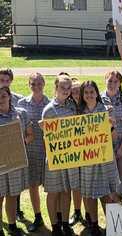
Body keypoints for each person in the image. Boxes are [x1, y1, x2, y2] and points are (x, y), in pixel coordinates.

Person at [78, 81, 120, 235]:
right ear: (82, 95)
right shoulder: (79, 113)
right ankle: (94, 225)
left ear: (97, 93)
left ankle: (112, 224)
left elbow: (114, 137)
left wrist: (111, 126)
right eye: (86, 92)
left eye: (92, 92)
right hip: (87, 158)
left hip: (104, 157)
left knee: (107, 192)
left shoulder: (106, 110)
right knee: (89, 193)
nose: (89, 95)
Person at [41, 74, 79, 236]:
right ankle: (55, 226)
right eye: (62, 87)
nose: (65, 90)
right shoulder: (49, 110)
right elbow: (46, 139)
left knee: (66, 191)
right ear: (56, 88)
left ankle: (65, 223)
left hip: (70, 157)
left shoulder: (72, 107)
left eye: (68, 88)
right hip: (54, 158)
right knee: (54, 192)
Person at [17, 73, 50, 232]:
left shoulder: (50, 103)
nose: (36, 86)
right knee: (33, 185)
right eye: (33, 84)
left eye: (39, 83)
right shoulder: (22, 104)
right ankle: (38, 216)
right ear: (28, 85)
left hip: (48, 151)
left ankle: (57, 219)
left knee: (53, 187)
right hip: (30, 150)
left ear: (44, 84)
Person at [0, 86, 33, 236]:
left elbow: (30, 135)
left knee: (12, 195)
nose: (1, 99)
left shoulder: (21, 114)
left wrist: (20, 143)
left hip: (15, 162)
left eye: (3, 96)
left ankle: (12, 224)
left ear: (9, 97)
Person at [101, 71, 122, 179]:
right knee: (108, 178)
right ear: (105, 81)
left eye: (116, 81)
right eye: (110, 81)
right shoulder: (98, 99)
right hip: (104, 143)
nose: (112, 84)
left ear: (120, 83)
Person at [67, 78, 85, 227]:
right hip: (72, 150)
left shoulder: (88, 106)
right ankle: (77, 211)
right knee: (75, 183)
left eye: (78, 91)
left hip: (88, 150)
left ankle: (89, 213)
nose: (76, 94)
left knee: (86, 182)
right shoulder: (67, 106)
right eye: (73, 91)